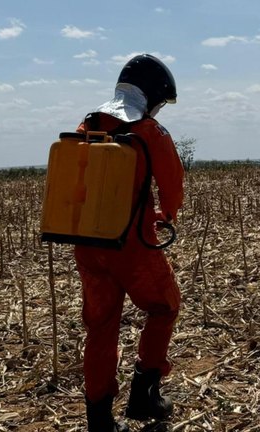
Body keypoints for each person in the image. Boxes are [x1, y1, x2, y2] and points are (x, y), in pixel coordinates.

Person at [75, 54, 184, 432]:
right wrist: (166, 215)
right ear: (151, 95)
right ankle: (144, 395)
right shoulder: (150, 131)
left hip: (87, 243)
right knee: (164, 306)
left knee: (101, 328)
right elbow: (172, 185)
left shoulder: (88, 123)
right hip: (132, 247)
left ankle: (99, 421)